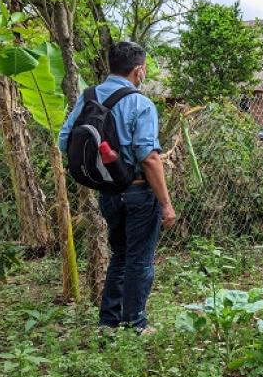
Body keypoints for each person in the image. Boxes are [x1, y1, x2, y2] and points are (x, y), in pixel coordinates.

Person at [58, 41, 175, 333]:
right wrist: (165, 203)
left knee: (120, 256)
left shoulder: (88, 97)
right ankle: (136, 324)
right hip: (138, 192)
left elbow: (64, 141)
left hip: (108, 193)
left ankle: (108, 323)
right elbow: (149, 158)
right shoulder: (140, 103)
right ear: (138, 70)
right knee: (140, 260)